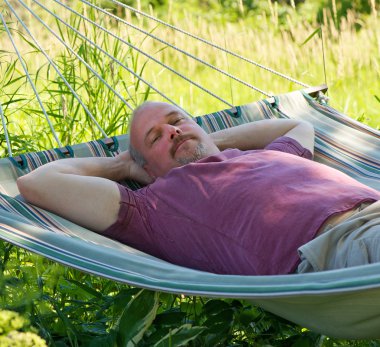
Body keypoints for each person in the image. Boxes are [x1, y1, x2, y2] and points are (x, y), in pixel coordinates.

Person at [17, 101, 380, 275]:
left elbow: (296, 126)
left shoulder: (262, 156)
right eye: (155, 137)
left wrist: (206, 140)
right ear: (146, 170)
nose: (172, 131)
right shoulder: (153, 208)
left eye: (177, 122)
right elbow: (36, 182)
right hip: (343, 245)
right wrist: (123, 165)